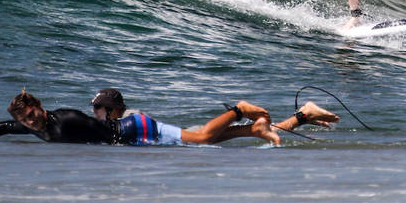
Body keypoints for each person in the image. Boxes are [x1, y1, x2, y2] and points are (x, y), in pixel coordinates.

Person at [0, 89, 336, 146]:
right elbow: (5, 128)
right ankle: (301, 117)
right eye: (27, 120)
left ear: (39, 106)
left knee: (203, 139)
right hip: (131, 132)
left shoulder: (62, 121)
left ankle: (238, 108)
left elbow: (95, 144)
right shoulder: (38, 125)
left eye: (32, 115)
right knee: (230, 137)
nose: (30, 122)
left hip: (133, 129)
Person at [87, 87, 340, 145]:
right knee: (253, 131)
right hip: (184, 134)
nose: (94, 114)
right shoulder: (123, 119)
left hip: (189, 135)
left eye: (97, 109)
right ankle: (303, 115)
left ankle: (240, 109)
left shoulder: (126, 120)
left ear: (109, 109)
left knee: (217, 135)